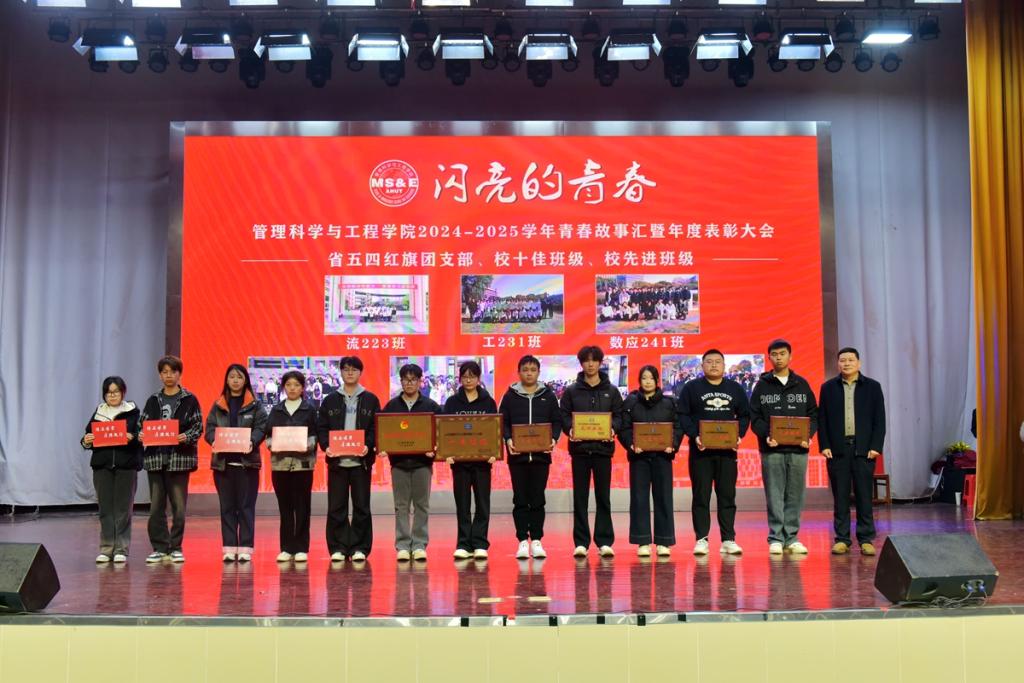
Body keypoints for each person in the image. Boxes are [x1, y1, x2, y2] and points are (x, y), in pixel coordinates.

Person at [677, 349, 751, 556]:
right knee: (701, 496)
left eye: (718, 362)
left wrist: (738, 435)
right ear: (702, 366)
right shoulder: (691, 388)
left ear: (724, 365)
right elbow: (683, 415)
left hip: (727, 452)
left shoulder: (735, 388)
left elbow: (745, 415)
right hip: (701, 451)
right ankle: (701, 539)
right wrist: (695, 436)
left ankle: (728, 539)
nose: (714, 365)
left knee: (727, 495)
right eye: (709, 362)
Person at [750, 339, 818, 555]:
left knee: (795, 494)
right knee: (774, 494)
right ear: (769, 357)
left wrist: (808, 435)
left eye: (782, 354)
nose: (778, 358)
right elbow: (755, 417)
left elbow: (813, 414)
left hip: (799, 450)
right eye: (774, 354)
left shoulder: (802, 384)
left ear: (790, 356)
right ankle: (776, 538)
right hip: (772, 450)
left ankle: (792, 537)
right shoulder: (761, 386)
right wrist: (767, 435)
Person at [817, 347, 886, 556]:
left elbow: (879, 420)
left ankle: (866, 539)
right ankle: (842, 539)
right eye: (842, 360)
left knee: (865, 496)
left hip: (864, 449)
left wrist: (875, 446)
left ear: (859, 363)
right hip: (837, 450)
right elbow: (822, 419)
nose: (846, 363)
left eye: (850, 360)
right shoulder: (828, 388)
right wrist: (824, 445)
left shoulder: (873, 387)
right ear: (838, 364)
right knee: (840, 497)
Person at [560, 345, 624, 558]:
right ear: (581, 364)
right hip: (579, 451)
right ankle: (581, 542)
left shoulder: (612, 391)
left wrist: (612, 429)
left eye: (594, 360)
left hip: (603, 451)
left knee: (603, 497)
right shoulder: (572, 391)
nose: (590, 364)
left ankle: (604, 541)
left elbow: (619, 416)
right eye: (586, 360)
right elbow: (564, 415)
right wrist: (570, 430)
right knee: (580, 498)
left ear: (600, 363)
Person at [140, 355, 203, 564]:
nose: (168, 375)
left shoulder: (189, 399)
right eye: (164, 372)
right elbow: (142, 425)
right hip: (156, 459)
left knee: (179, 507)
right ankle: (159, 547)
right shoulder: (153, 400)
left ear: (179, 374)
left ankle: (175, 547)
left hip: (179, 460)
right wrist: (142, 434)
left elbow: (198, 427)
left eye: (173, 371)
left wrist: (185, 436)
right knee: (156, 507)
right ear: (160, 375)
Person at [316, 356, 381, 562]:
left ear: (360, 372)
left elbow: (376, 427)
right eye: (346, 369)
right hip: (337, 462)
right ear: (341, 372)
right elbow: (322, 427)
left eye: (354, 369)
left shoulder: (370, 399)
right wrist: (326, 446)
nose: (350, 373)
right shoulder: (330, 400)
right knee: (337, 507)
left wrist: (368, 445)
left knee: (362, 507)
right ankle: (338, 547)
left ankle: (360, 548)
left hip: (361, 462)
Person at [204, 364, 267, 563]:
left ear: (245, 380)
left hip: (247, 465)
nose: (235, 380)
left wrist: (252, 441)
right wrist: (214, 440)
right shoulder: (218, 404)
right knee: (227, 507)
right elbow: (209, 429)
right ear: (227, 380)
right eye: (232, 376)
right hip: (223, 465)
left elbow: (262, 427)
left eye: (239, 377)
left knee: (246, 507)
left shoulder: (255, 405)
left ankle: (246, 547)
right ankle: (229, 548)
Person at [500, 355, 562, 559]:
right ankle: (521, 541)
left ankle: (536, 540)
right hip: (517, 457)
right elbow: (503, 422)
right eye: (525, 369)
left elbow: (557, 421)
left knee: (537, 498)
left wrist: (553, 438)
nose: (529, 373)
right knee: (520, 499)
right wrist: (508, 439)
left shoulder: (548, 395)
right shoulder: (510, 396)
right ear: (519, 372)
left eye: (533, 370)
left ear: (538, 372)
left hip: (541, 457)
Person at [618, 365, 682, 558]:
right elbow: (624, 428)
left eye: (651, 378)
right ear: (639, 380)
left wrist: (673, 444)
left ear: (657, 380)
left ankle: (664, 542)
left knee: (663, 497)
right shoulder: (631, 402)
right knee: (639, 499)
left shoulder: (669, 403)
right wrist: (631, 444)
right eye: (644, 378)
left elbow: (677, 427)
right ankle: (643, 541)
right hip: (639, 458)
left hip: (662, 457)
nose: (647, 381)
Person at [380, 363, 441, 562]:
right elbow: (384, 431)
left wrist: (435, 448)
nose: (409, 383)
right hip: (398, 464)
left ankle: (420, 544)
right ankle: (403, 545)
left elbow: (441, 432)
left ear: (420, 381)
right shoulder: (391, 406)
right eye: (406, 379)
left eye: (413, 379)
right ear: (401, 381)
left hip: (423, 464)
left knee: (422, 505)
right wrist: (383, 446)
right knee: (401, 506)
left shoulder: (431, 406)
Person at [80, 376, 143, 563]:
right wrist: (86, 441)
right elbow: (88, 437)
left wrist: (133, 436)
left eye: (116, 392)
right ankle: (106, 548)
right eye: (108, 392)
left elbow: (142, 435)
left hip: (126, 465)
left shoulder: (133, 412)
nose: (112, 395)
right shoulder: (99, 412)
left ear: (123, 392)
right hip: (102, 466)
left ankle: (121, 549)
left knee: (123, 509)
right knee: (105, 509)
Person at [443, 361, 499, 560]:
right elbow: (445, 429)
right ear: (460, 378)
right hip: (460, 462)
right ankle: (464, 544)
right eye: (465, 376)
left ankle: (480, 543)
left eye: (472, 376)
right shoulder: (452, 402)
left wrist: (494, 451)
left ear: (478, 378)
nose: (468, 380)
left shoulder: (488, 402)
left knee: (483, 503)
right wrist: (447, 452)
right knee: (462, 503)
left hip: (483, 461)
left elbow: (494, 428)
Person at [265, 370, 318, 563]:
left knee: (302, 507)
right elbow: (268, 436)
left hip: (303, 465)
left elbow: (315, 436)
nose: (292, 388)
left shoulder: (309, 409)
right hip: (280, 465)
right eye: (288, 385)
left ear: (303, 388)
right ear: (283, 387)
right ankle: (287, 548)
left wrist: (304, 444)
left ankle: (301, 547)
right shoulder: (276, 410)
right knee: (285, 507)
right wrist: (273, 444)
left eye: (296, 385)